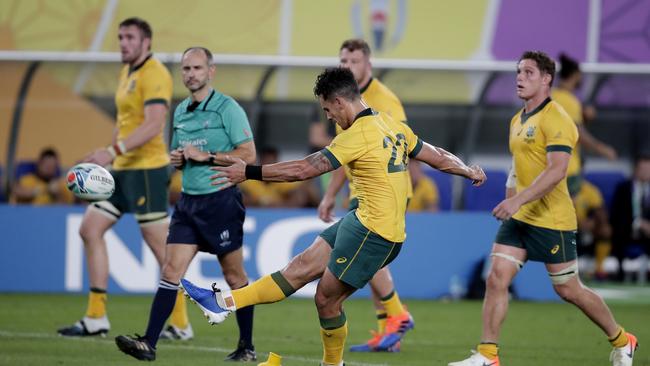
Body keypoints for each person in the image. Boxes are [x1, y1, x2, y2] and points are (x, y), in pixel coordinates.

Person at [181, 67, 486, 366]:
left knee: (327, 301)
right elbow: (437, 155)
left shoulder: (356, 135)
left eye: (327, 109)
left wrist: (249, 171)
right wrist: (467, 169)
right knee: (299, 267)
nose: (328, 116)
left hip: (375, 232)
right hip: (361, 220)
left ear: (340, 101)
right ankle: (223, 304)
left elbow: (303, 169)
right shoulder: (391, 125)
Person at [449, 51, 637, 366]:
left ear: (547, 78)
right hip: (520, 219)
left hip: (553, 220)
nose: (520, 78)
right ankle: (488, 355)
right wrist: (511, 198)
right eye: (518, 72)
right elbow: (516, 166)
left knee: (569, 289)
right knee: (496, 278)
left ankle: (622, 339)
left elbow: (556, 171)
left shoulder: (558, 118)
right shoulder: (516, 119)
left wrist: (516, 200)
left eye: (528, 72)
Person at [114, 47, 258, 362]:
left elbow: (249, 155)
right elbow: (183, 154)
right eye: (185, 69)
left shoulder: (227, 108)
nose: (190, 74)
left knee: (234, 276)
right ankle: (148, 343)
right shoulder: (180, 112)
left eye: (196, 68)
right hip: (188, 203)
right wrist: (178, 160)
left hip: (221, 202)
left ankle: (246, 346)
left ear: (211, 71)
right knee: (170, 269)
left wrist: (207, 157)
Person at [57, 17, 191, 341]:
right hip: (122, 168)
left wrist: (112, 149)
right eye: (120, 37)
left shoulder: (154, 72)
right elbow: (125, 122)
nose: (123, 43)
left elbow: (154, 124)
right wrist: (107, 152)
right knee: (89, 229)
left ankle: (181, 323)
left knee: (161, 250)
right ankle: (95, 317)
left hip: (148, 169)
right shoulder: (125, 72)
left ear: (146, 42)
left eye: (130, 37)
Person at [317, 38, 417, 352]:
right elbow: (341, 154)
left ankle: (397, 314)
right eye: (343, 61)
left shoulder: (384, 100)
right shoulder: (340, 100)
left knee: (367, 252)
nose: (348, 66)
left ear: (368, 64)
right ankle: (388, 334)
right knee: (370, 257)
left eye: (354, 61)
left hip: (383, 189)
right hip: (358, 188)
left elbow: (405, 145)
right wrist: (331, 194)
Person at [552, 53, 617, 197]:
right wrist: (603, 149)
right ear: (575, 75)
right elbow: (577, 133)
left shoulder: (551, 96)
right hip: (568, 168)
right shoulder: (571, 101)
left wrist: (583, 117)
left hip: (548, 167)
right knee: (568, 216)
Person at [610, 155, 650, 282]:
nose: (645, 173)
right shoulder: (623, 188)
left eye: (648, 169)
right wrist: (636, 223)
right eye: (642, 169)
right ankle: (619, 276)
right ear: (635, 170)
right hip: (626, 230)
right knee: (616, 236)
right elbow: (616, 213)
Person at [573, 179, 613, 279]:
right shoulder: (555, 185)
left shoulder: (589, 190)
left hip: (586, 227)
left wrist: (592, 222)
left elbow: (599, 210)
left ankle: (599, 268)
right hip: (565, 225)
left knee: (605, 230)